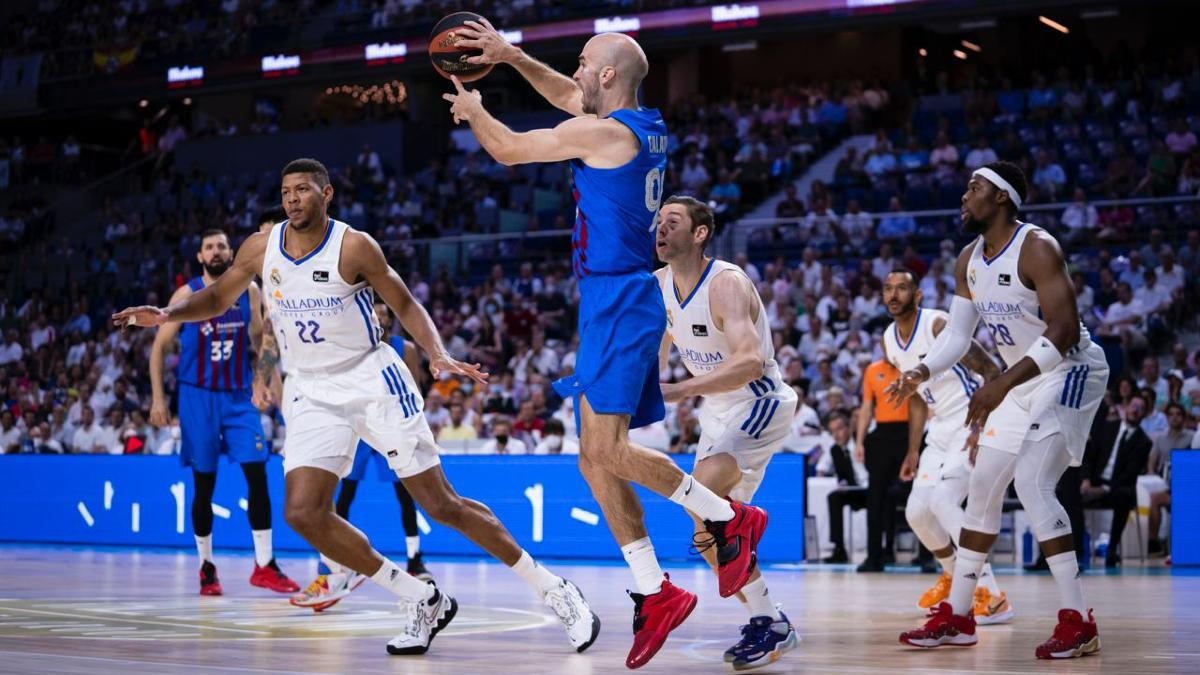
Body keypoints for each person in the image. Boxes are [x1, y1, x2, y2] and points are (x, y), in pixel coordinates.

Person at [115, 158, 598, 657]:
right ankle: (421, 597)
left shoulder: (354, 246)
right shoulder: (261, 248)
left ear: (328, 193)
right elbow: (217, 297)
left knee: (441, 504)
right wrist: (169, 313)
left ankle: (555, 590)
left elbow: (406, 303)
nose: (293, 199)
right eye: (286, 192)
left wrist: (435, 352)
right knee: (303, 512)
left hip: (371, 378)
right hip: (309, 388)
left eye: (303, 189)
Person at [447, 22, 764, 668]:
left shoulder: (607, 134)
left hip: (618, 298)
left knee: (608, 449)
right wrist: (510, 58)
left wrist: (476, 110)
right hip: (612, 300)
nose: (579, 71)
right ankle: (654, 590)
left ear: (611, 76)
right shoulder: (641, 124)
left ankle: (727, 518)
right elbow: (572, 98)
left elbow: (508, 151)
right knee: (592, 460)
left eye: (586, 63)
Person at [892, 161, 1108, 659]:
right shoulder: (968, 258)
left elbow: (1065, 331)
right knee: (983, 486)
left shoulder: (1037, 247)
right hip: (1021, 381)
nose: (964, 195)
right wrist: (921, 371)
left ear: (1003, 198)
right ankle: (961, 615)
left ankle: (1079, 620)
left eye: (976, 188)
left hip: (1070, 371)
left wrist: (999, 385)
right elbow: (959, 336)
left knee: (1033, 482)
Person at [654, 196, 799, 670]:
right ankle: (769, 619)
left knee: (703, 495)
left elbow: (749, 362)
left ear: (699, 234)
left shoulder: (726, 283)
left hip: (758, 401)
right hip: (716, 411)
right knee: (704, 528)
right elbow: (653, 356)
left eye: (672, 222)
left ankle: (748, 528)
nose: (660, 229)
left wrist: (678, 390)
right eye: (658, 222)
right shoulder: (658, 285)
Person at [148, 227, 298, 596]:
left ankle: (264, 564)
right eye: (209, 247)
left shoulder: (249, 292)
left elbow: (262, 344)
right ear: (200, 256)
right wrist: (158, 398)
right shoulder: (186, 295)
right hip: (197, 397)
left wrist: (273, 393)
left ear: (232, 254)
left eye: (222, 247)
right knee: (204, 483)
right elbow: (159, 349)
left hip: (237, 398)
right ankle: (206, 567)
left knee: (258, 475)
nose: (216, 252)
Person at [282, 300, 434, 610]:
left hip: (387, 425)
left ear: (389, 320)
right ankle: (335, 566)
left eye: (383, 314)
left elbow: (414, 390)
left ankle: (415, 558)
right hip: (355, 427)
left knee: (407, 495)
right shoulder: (342, 345)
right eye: (374, 313)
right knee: (338, 498)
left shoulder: (402, 348)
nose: (378, 318)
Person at [879, 269, 1012, 624]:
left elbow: (992, 371)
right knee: (917, 513)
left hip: (972, 421)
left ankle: (991, 594)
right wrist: (913, 450)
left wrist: (982, 427)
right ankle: (955, 576)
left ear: (917, 295)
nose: (894, 295)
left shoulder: (938, 325)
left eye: (902, 288)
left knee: (943, 501)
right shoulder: (889, 339)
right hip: (938, 429)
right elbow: (917, 396)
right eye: (888, 289)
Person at [1081, 394, 1151, 567]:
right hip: (1093, 482)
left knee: (1124, 495)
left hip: (1116, 488)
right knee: (1068, 492)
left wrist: (1104, 489)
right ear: (1126, 407)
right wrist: (1085, 480)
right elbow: (1089, 456)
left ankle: (1112, 549)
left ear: (1145, 414)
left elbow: (1130, 474)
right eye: (1133, 405)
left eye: (1140, 408)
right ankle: (1075, 548)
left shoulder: (1144, 442)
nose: (1135, 410)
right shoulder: (1107, 427)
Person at [855, 357, 908, 572]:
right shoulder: (872, 370)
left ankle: (926, 557)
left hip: (909, 431)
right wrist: (859, 441)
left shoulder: (912, 364)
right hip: (883, 433)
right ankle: (873, 556)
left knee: (918, 493)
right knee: (875, 497)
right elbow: (867, 407)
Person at [817, 412, 868, 562]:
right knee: (834, 497)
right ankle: (839, 549)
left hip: (871, 488)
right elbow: (838, 474)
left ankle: (881, 549)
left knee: (881, 496)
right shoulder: (835, 450)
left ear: (848, 428)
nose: (836, 435)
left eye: (839, 429)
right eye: (832, 431)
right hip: (853, 490)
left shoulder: (863, 443)